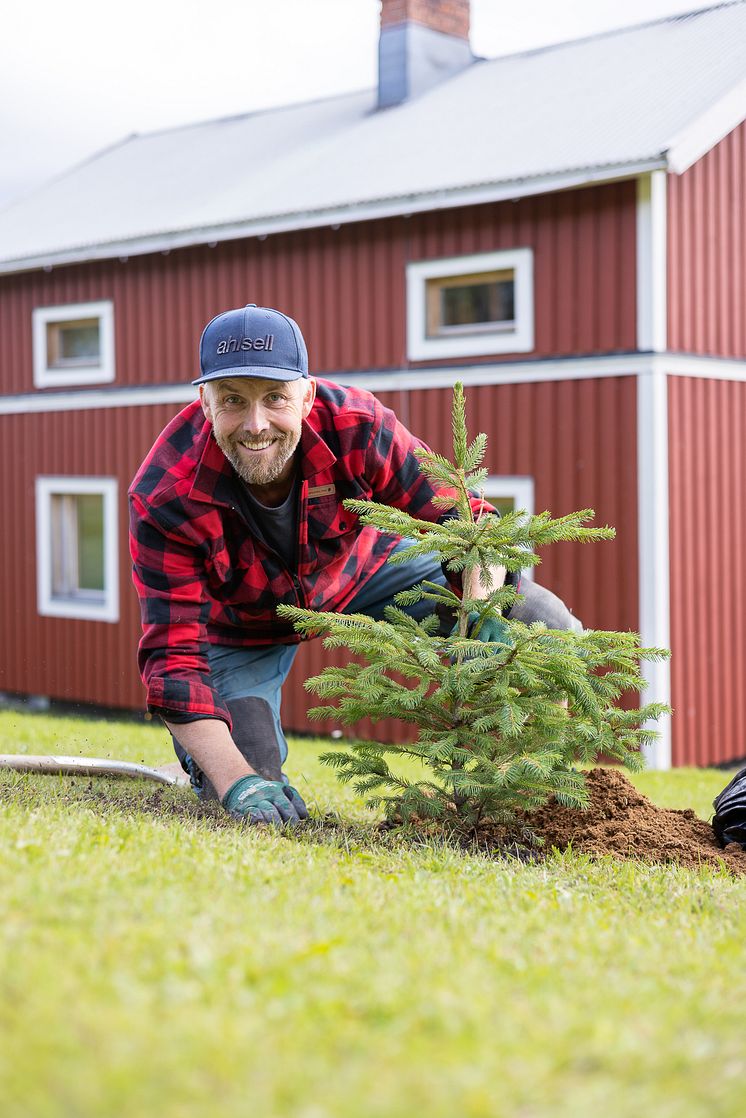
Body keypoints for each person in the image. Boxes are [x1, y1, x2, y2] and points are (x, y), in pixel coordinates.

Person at [129, 304, 580, 826]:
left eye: (275, 398)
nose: (256, 426)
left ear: (306, 396)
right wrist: (238, 782)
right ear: (204, 403)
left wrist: (482, 614)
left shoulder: (356, 426)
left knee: (537, 619)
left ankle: (540, 802)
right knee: (249, 788)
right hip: (239, 631)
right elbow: (173, 663)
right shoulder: (166, 494)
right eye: (233, 400)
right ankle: (218, 771)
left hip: (364, 571)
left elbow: (468, 521)